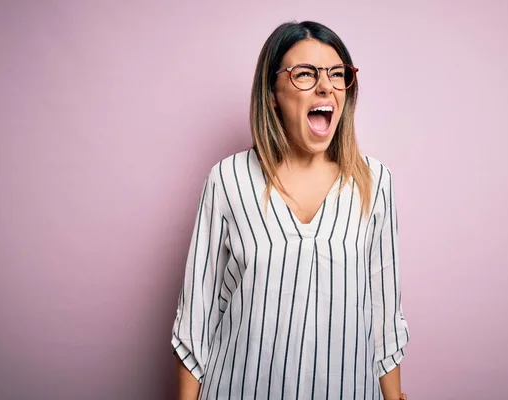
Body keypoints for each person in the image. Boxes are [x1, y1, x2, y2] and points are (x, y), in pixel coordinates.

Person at [172, 20, 410, 400]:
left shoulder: (375, 182)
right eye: (305, 74)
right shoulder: (228, 180)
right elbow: (196, 319)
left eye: (337, 74)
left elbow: (385, 318)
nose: (325, 86)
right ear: (272, 94)